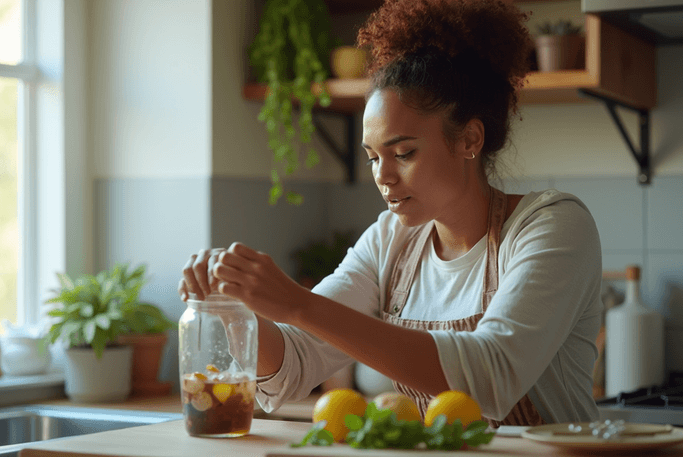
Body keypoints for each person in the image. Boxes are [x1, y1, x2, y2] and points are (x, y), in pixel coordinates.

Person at [179, 0, 603, 426]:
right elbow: (291, 368)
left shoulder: (552, 225)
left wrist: (295, 303)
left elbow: (489, 376)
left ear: (469, 139)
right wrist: (235, 305)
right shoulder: (389, 242)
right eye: (372, 157)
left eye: (403, 153)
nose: (383, 176)